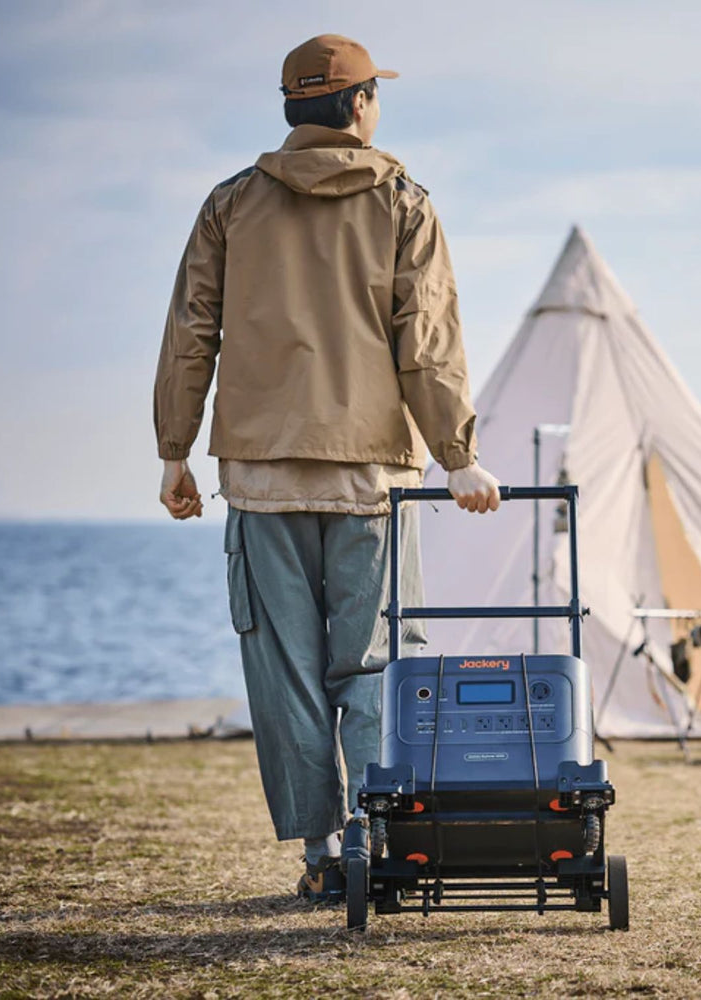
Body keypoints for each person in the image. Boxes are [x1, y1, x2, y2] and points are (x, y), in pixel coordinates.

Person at [153, 34, 500, 903]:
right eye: (373, 93)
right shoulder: (404, 202)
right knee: (379, 663)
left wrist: (173, 450)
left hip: (261, 482)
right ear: (356, 106)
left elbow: (193, 331)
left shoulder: (228, 205)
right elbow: (425, 342)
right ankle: (376, 836)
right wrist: (459, 456)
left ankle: (321, 849)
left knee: (287, 675)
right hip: (371, 485)